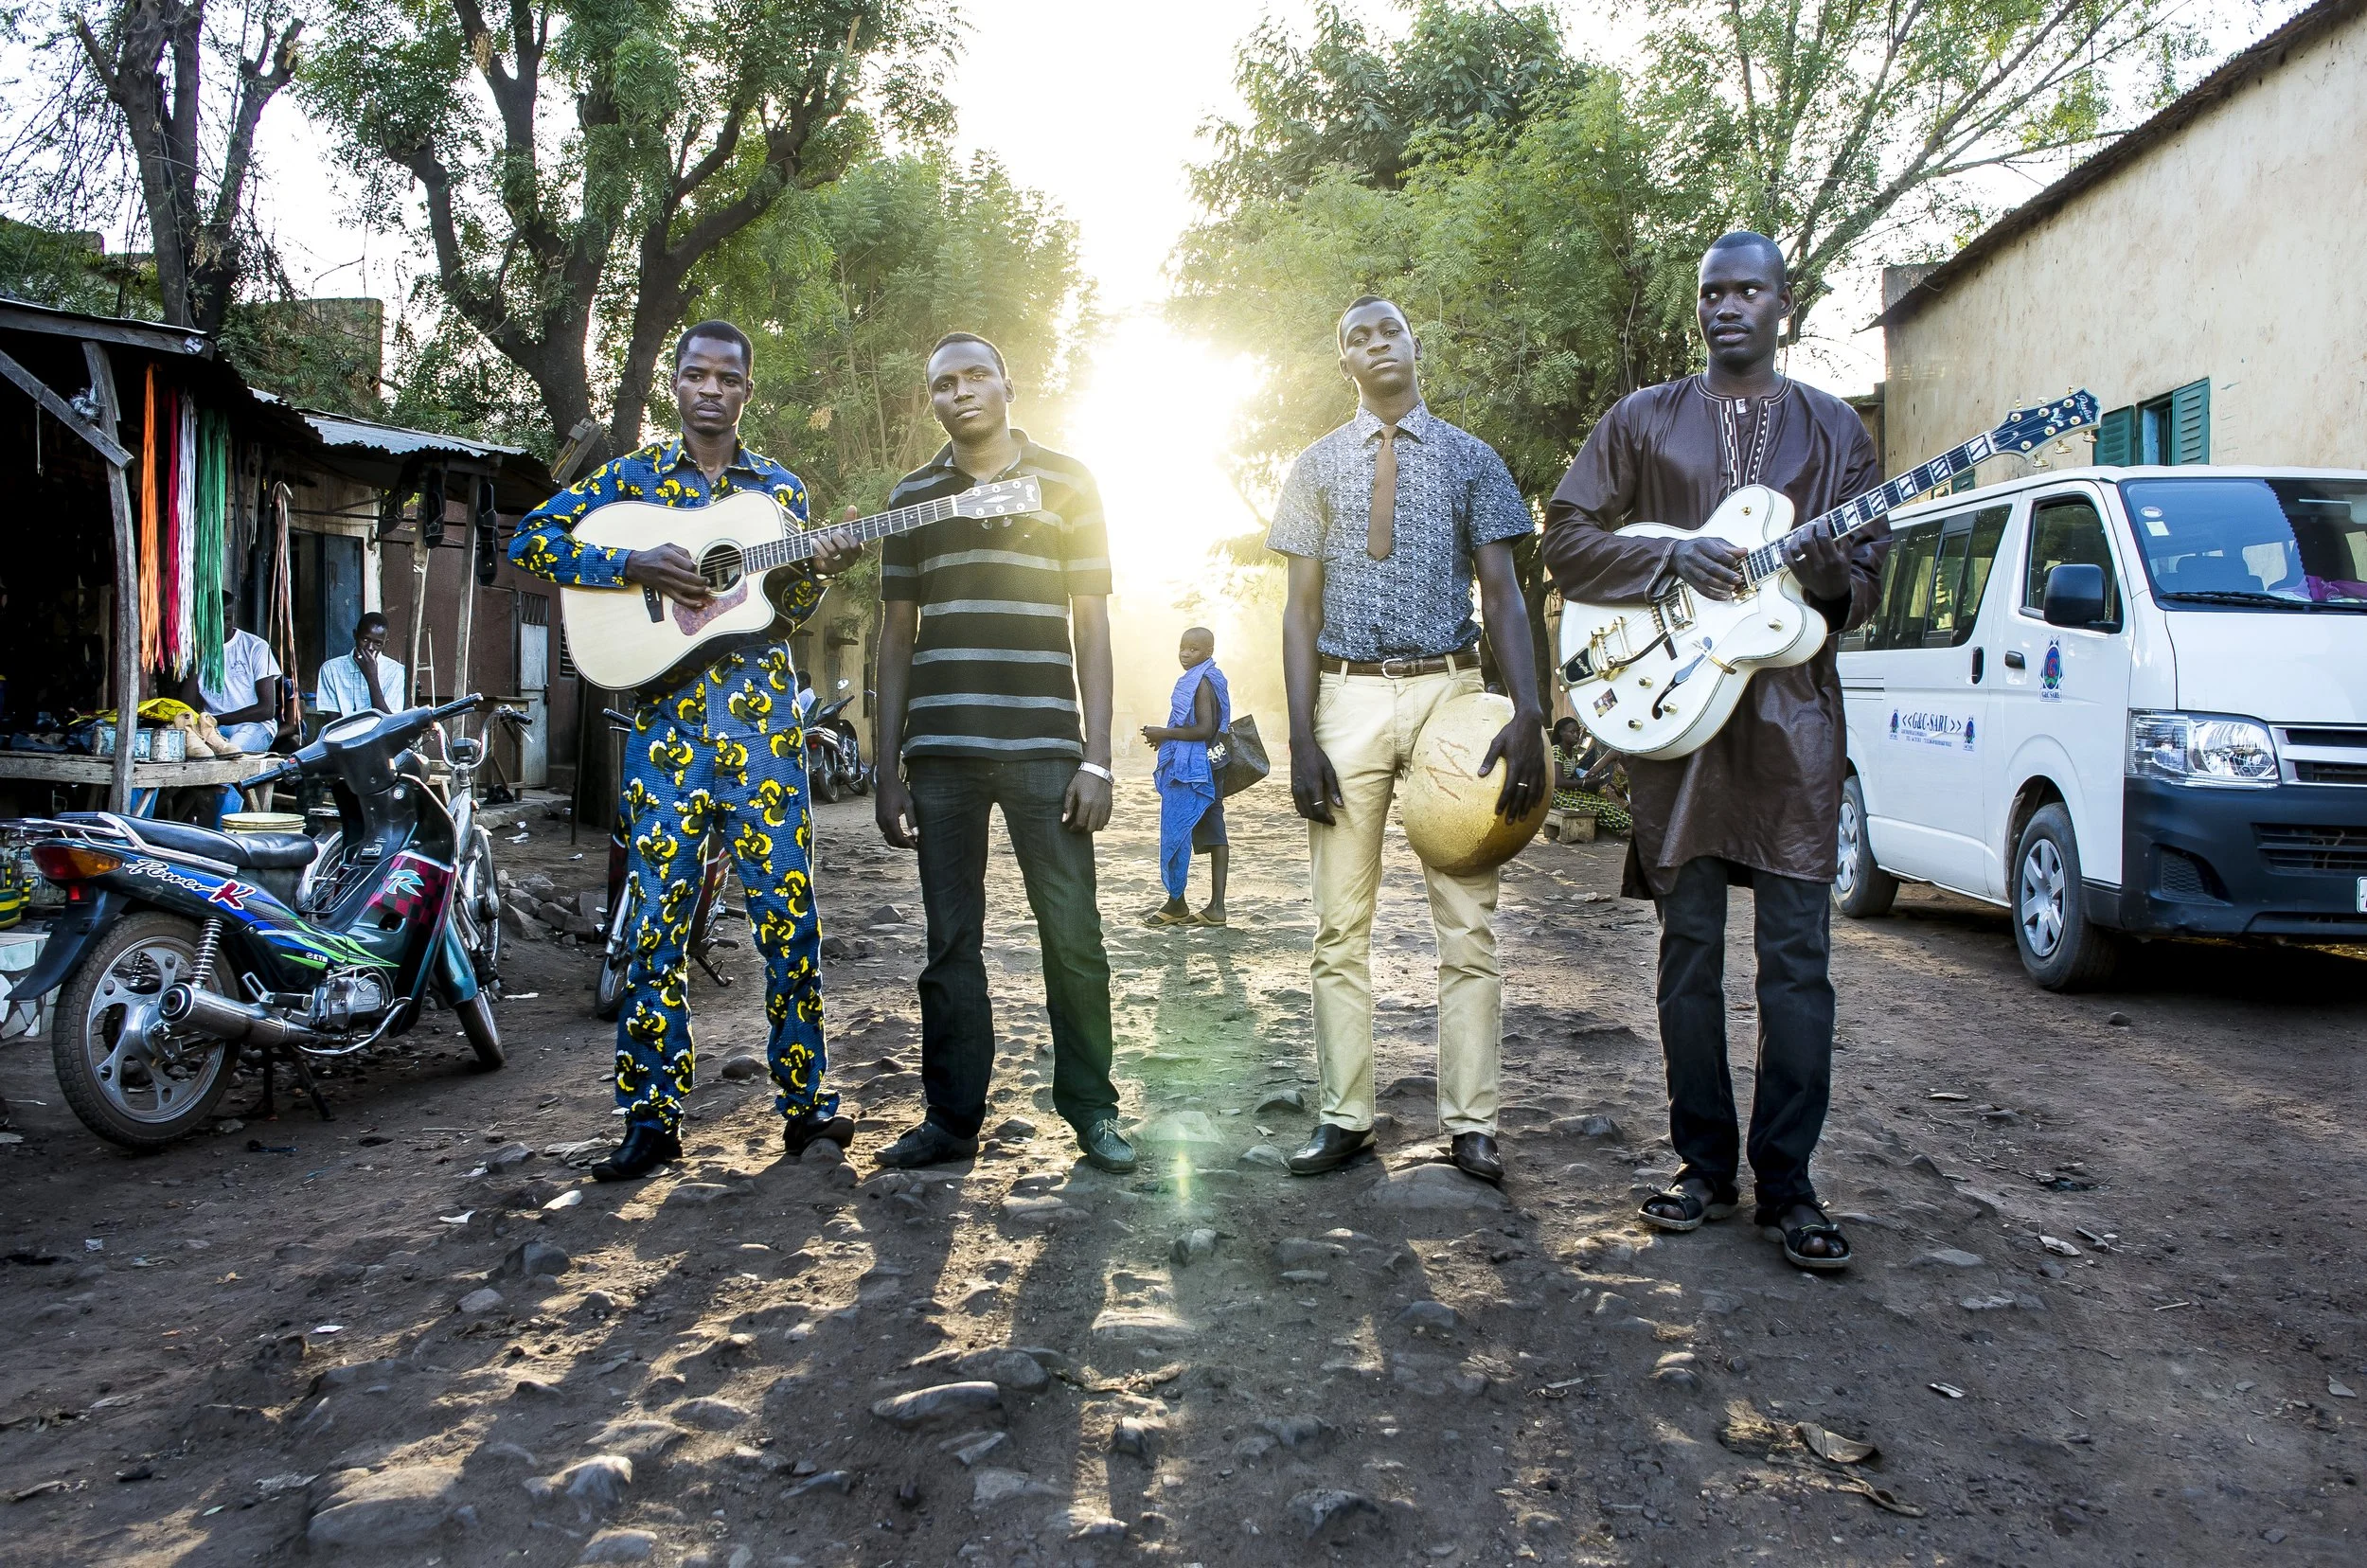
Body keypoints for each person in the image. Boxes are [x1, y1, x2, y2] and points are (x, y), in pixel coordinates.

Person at [1541, 232, 1885, 1271]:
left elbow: (1862, 587)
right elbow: (1564, 536)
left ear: (1785, 303)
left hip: (1791, 724)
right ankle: (1701, 1166)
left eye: (1748, 290)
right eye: (1711, 292)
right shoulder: (1643, 419)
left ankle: (1789, 1185)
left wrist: (1827, 574)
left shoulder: (1834, 430)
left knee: (1796, 962)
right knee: (1686, 951)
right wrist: (1666, 556)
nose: (1727, 306)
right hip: (1672, 717)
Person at [509, 319, 862, 1182]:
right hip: (664, 735)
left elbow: (791, 607)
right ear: (676, 384)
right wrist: (632, 564)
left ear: (746, 390)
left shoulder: (780, 492)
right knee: (655, 930)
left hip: (762, 733)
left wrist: (825, 562)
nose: (711, 389)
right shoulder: (628, 481)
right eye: (696, 375)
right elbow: (531, 540)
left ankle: (807, 1108)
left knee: (788, 920)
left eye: (727, 378)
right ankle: (651, 1120)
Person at [1269, 294, 1547, 1186]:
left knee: (1468, 925)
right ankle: (1345, 1117)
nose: (1375, 344)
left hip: (1451, 697)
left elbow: (1502, 594)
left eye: (1388, 328)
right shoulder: (1313, 467)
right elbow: (1300, 610)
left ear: (1414, 341)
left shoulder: (1473, 460)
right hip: (1345, 698)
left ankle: (1472, 1123)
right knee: (1337, 926)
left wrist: (1530, 714)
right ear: (1342, 361)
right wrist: (1303, 737)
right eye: (1356, 336)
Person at [870, 330, 1134, 1176]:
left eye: (976, 375)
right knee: (950, 947)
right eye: (943, 383)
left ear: (1008, 385)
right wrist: (886, 771)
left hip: (1043, 750)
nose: (961, 392)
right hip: (940, 756)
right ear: (933, 400)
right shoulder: (910, 497)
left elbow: (1091, 624)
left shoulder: (1069, 480)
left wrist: (1096, 758)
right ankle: (950, 1121)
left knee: (1074, 937)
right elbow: (895, 637)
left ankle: (1091, 1111)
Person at [1140, 626, 1230, 929]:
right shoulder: (1202, 678)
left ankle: (1180, 903)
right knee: (1211, 829)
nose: (1185, 653)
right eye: (1182, 647)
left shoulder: (1202, 682)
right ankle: (1209, 906)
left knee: (1178, 829)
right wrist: (1166, 740)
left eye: (1193, 649)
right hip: (1206, 765)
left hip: (1197, 770)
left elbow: (1204, 729)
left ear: (1208, 653)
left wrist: (1164, 733)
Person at [194, 592, 285, 756]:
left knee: (232, 754)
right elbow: (187, 703)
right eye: (214, 619)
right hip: (211, 729)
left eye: (226, 619)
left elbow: (266, 710)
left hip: (254, 726)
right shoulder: (198, 651)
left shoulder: (256, 647)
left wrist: (216, 719)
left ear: (234, 618)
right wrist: (197, 656)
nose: (220, 625)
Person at [1550, 716, 1631, 835]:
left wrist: (1587, 779)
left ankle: (1625, 829)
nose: (1576, 735)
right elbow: (1558, 781)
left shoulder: (1573, 751)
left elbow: (1570, 776)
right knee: (1604, 808)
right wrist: (1584, 783)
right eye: (1572, 732)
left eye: (1578, 731)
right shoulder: (1556, 750)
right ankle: (1634, 828)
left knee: (1606, 804)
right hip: (1558, 796)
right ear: (1561, 733)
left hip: (1569, 792)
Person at [315, 611, 406, 718]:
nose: (370, 647)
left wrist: (371, 678)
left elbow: (390, 723)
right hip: (345, 733)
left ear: (385, 644)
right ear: (355, 635)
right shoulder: (331, 669)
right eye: (365, 639)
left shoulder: (397, 671)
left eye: (377, 643)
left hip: (383, 734)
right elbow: (333, 722)